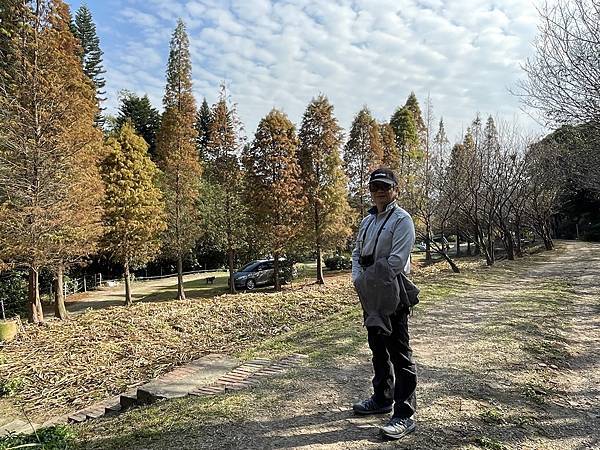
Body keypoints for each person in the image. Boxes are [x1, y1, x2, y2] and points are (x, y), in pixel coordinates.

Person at [351, 167, 417, 440]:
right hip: (369, 290)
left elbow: (396, 261)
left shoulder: (402, 220)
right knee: (377, 348)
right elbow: (356, 252)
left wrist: (370, 280)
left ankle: (404, 414)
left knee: (399, 352)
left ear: (395, 190)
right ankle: (382, 398)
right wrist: (359, 280)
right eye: (375, 186)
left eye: (385, 186)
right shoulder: (367, 221)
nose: (379, 190)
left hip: (391, 289)